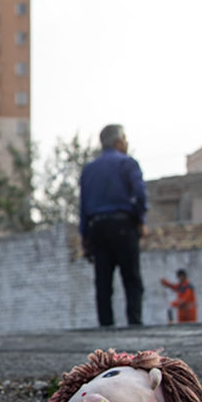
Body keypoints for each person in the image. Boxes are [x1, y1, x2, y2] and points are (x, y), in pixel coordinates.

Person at [80, 124, 148, 327]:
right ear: (118, 142)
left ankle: (105, 328)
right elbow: (139, 195)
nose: (126, 143)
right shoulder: (127, 163)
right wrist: (140, 220)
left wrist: (85, 236)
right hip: (123, 226)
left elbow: (83, 206)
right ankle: (134, 324)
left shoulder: (89, 170)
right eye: (125, 139)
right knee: (131, 279)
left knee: (103, 283)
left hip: (97, 229)